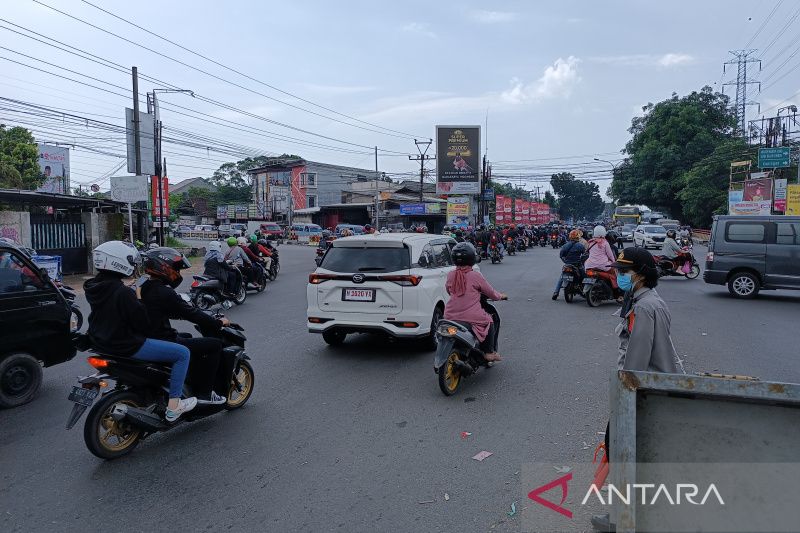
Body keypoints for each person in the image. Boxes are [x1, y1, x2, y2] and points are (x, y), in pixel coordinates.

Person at [590, 247, 682, 532]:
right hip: (650, 389)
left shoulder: (644, 307)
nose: (619, 276)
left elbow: (636, 362)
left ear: (640, 275)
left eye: (624, 272)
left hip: (643, 392)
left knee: (626, 454)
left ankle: (625, 518)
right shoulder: (642, 300)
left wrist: (623, 400)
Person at [84, 241, 196, 421]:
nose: (135, 265)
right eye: (131, 260)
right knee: (182, 353)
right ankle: (175, 405)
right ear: (119, 261)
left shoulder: (93, 287)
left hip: (102, 342)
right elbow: (143, 324)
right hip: (126, 345)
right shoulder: (124, 292)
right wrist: (138, 297)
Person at [139, 247, 232, 403]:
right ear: (164, 267)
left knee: (187, 336)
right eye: (176, 268)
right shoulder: (165, 292)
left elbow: (160, 310)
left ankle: (187, 383)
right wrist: (217, 322)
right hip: (161, 339)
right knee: (214, 345)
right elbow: (192, 314)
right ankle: (205, 393)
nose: (178, 273)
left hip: (148, 336)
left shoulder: (144, 287)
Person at [444, 242, 507, 362]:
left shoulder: (451, 275)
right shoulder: (475, 275)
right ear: (472, 258)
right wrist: (500, 296)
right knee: (489, 320)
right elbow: (491, 293)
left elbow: (449, 290)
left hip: (449, 315)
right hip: (470, 316)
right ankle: (489, 353)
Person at [552, 230, 586, 300]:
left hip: (567, 264)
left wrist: (566, 262)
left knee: (561, 277)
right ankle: (585, 291)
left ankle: (556, 292)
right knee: (585, 276)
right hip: (577, 265)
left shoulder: (565, 245)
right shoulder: (580, 245)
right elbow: (585, 255)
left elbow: (561, 255)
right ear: (577, 237)